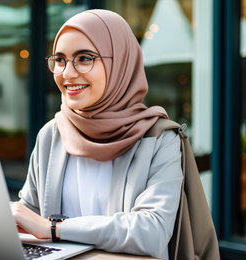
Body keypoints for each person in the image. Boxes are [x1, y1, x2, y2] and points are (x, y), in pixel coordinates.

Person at [10, 9, 183, 260]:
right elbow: (30, 212)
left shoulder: (159, 139)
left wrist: (54, 229)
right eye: (60, 59)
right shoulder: (52, 134)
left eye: (84, 58)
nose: (67, 73)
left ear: (120, 63)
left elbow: (151, 232)